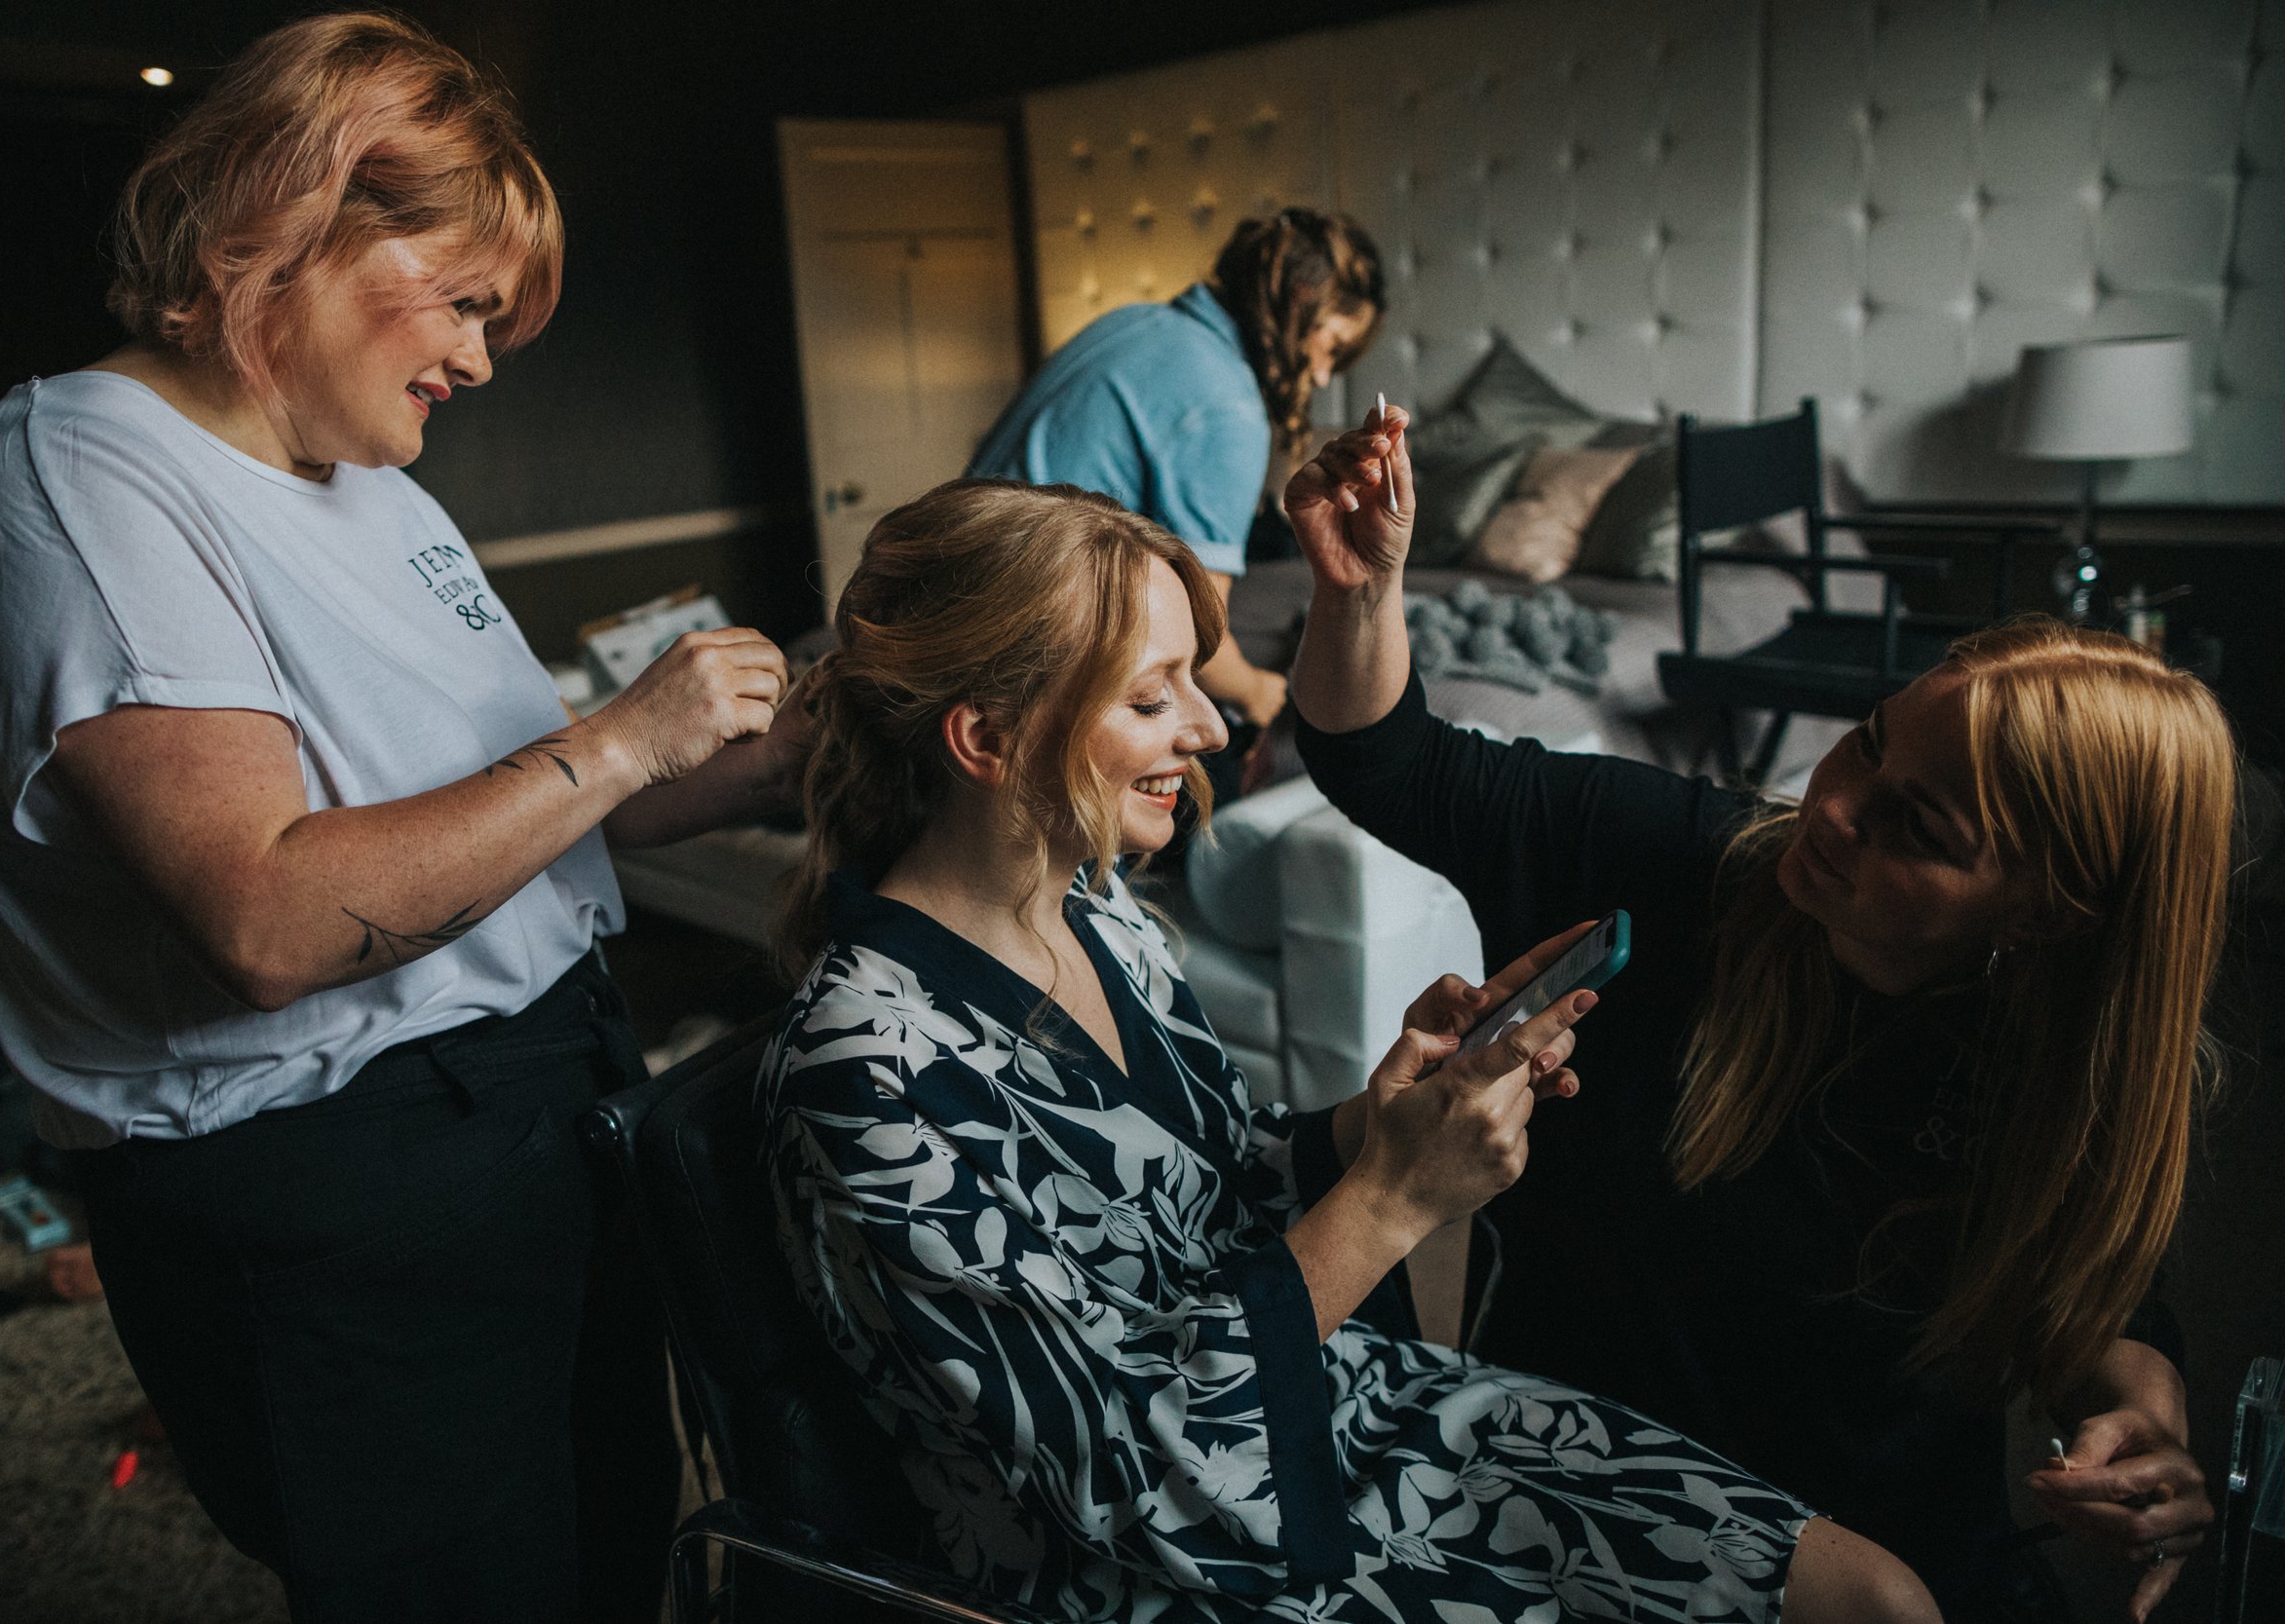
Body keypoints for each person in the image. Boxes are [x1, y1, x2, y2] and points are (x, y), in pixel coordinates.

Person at [0, 15, 804, 1620]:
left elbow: (528, 818)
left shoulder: (372, 484)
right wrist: (617, 739)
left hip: (542, 1095)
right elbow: (266, 915)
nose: (477, 357)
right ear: (290, 228)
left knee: (611, 1541)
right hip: (344, 1176)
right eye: (462, 302)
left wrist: (817, 746)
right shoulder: (73, 481)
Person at [757, 477, 1942, 1624]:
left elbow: (1214, 1187)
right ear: (988, 736)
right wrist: (1391, 1202)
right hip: (1169, 1559)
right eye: (1152, 695)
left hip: (1325, 1407)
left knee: (1877, 1595)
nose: (1213, 726)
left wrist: (1380, 1121)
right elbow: (1117, 1475)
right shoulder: (868, 1067)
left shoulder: (1097, 911)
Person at [1283, 407, 2230, 1623]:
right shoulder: (1684, 859)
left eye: (1918, 828)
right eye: (1866, 747)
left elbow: (2096, 1292)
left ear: (2040, 916)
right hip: (1584, 1517)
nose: (1833, 810)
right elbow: (1392, 762)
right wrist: (1359, 591)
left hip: (1896, 1564)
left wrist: (2139, 1425)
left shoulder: (2061, 1052)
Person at [967, 208, 1384, 730]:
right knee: (1222, 742)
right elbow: (1200, 645)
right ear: (1301, 302)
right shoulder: (1225, 404)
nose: (1322, 377)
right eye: (1332, 348)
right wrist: (1257, 691)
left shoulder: (1135, 320)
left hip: (960, 600)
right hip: (1020, 652)